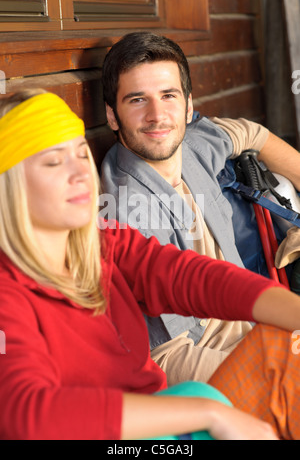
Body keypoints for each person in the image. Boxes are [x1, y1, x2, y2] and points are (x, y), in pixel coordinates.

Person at [2, 90, 300, 441]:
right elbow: (28, 415)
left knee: (280, 345)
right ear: (11, 186)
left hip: (161, 421)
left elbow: (192, 278)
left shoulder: (104, 243)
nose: (80, 172)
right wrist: (208, 412)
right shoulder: (7, 295)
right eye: (53, 161)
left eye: (81, 153)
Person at [100, 31, 300, 384]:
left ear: (189, 105)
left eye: (168, 96)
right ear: (112, 116)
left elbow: (250, 133)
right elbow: (165, 358)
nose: (157, 115)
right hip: (215, 370)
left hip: (262, 330)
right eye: (136, 100)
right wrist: (275, 373)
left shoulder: (191, 145)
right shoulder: (125, 213)